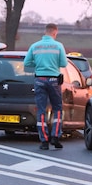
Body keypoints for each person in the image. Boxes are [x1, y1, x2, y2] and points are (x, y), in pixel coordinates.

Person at [23, 22, 67, 150]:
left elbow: (27, 63)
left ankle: (44, 140)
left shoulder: (35, 46)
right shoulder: (58, 46)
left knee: (41, 110)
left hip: (39, 79)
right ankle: (55, 136)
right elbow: (63, 63)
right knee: (57, 108)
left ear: (45, 32)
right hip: (54, 80)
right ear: (55, 32)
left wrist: (39, 64)